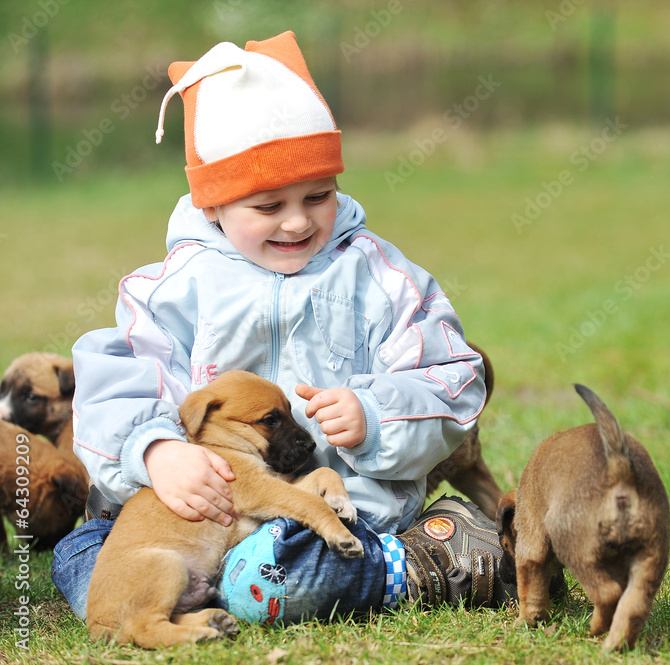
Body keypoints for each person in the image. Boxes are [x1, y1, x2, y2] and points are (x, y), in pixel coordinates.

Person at [51, 31, 514, 625]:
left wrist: (373, 415)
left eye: (318, 196)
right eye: (268, 206)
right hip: (197, 523)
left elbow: (452, 381)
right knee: (83, 552)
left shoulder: (378, 275)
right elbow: (113, 386)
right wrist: (156, 450)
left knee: (282, 578)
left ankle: (427, 558)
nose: (297, 222)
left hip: (333, 514)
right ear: (212, 204)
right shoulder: (168, 288)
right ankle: (217, 592)